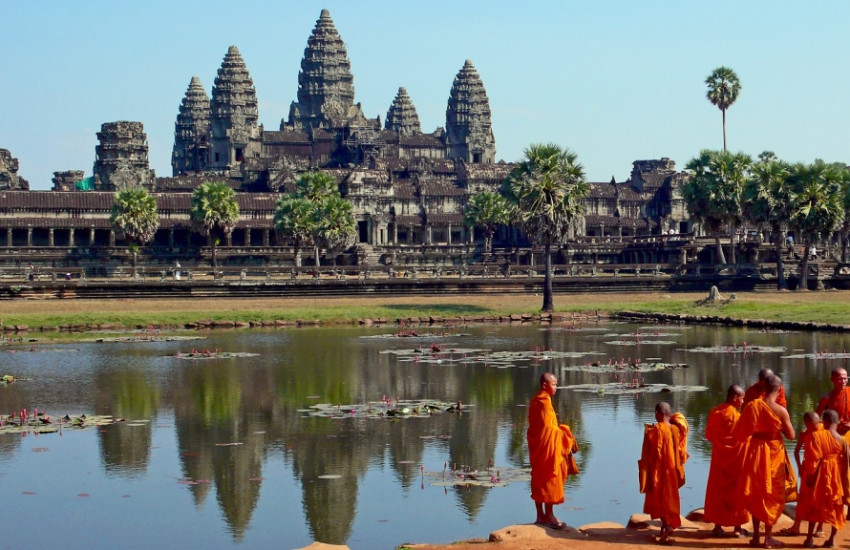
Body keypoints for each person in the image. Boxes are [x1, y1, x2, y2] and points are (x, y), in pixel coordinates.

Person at [734, 375, 796, 549]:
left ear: (764, 388)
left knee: (756, 492)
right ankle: (768, 537)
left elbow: (740, 434)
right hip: (774, 451)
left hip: (755, 451)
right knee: (772, 494)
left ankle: (756, 537)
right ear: (780, 389)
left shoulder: (752, 406)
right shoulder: (781, 410)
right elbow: (791, 435)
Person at [527, 372, 579, 530]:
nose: (556, 387)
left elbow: (536, 428)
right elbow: (549, 429)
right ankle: (548, 516)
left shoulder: (536, 400)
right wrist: (566, 432)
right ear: (545, 385)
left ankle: (539, 515)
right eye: (554, 384)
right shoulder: (543, 402)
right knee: (550, 475)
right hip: (547, 449)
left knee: (538, 477)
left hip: (539, 447)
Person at [797, 409, 849, 549]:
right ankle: (832, 540)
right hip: (836, 477)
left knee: (814, 505)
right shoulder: (843, 440)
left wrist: (811, 477)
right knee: (836, 507)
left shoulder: (816, 436)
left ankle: (809, 539)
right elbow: (847, 463)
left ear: (823, 422)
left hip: (820, 475)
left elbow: (813, 460)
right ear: (838, 422)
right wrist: (845, 483)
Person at [639, 402, 688, 545]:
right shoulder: (675, 429)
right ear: (669, 414)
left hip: (658, 472)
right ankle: (667, 526)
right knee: (670, 497)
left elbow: (649, 454)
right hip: (671, 471)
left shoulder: (654, 431)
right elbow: (680, 448)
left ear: (657, 414)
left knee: (659, 499)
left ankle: (667, 527)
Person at [704, 384, 750, 537]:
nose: (743, 402)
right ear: (735, 397)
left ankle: (717, 527)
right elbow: (745, 438)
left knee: (718, 491)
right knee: (737, 491)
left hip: (719, 460)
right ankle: (737, 528)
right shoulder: (737, 417)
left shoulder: (715, 412)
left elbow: (709, 435)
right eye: (742, 399)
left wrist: (721, 445)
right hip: (737, 461)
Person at [780, 411, 822, 537]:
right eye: (811, 425)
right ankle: (796, 527)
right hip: (807, 470)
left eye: (816, 424)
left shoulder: (825, 431)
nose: (814, 428)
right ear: (806, 424)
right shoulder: (804, 433)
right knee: (803, 499)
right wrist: (798, 466)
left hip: (821, 471)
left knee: (820, 499)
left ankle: (819, 528)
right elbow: (797, 451)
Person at [816, 368, 850, 435]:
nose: (843, 381)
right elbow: (815, 418)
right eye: (840, 379)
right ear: (832, 379)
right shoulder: (826, 398)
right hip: (834, 434)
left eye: (845, 378)